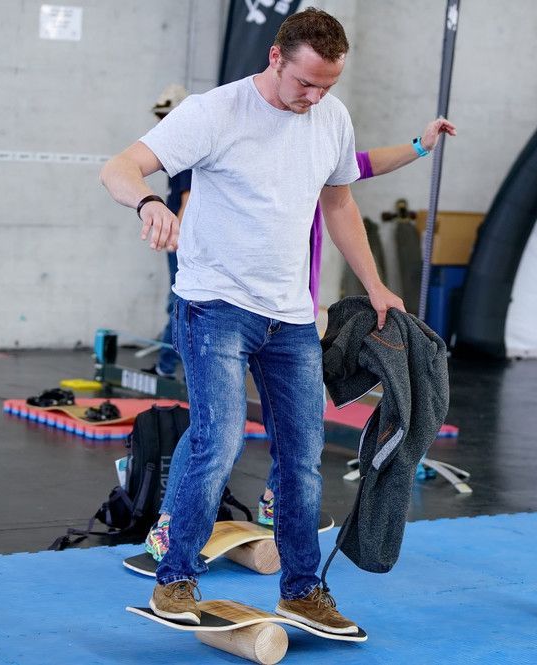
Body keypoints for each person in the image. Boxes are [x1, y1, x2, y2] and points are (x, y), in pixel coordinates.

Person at [99, 8, 403, 632]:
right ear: (274, 58)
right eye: (305, 83)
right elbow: (119, 167)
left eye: (327, 86)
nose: (314, 97)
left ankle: (301, 590)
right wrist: (149, 203)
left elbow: (339, 203)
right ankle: (175, 579)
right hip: (214, 304)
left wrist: (375, 285)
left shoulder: (331, 117)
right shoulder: (215, 112)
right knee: (219, 440)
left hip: (290, 316)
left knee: (303, 456)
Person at [143, 118, 456, 561]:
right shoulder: (240, 144)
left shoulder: (320, 158)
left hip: (293, 315)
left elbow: (364, 165)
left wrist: (420, 146)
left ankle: (276, 503)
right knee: (215, 429)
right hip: (227, 307)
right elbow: (192, 196)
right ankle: (170, 524)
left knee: (298, 427)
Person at [145, 84, 193, 381]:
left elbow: (188, 197)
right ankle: (169, 365)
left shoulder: (186, 148)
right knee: (177, 302)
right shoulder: (177, 148)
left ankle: (169, 366)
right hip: (181, 237)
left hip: (183, 240)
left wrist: (177, 235)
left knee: (179, 302)